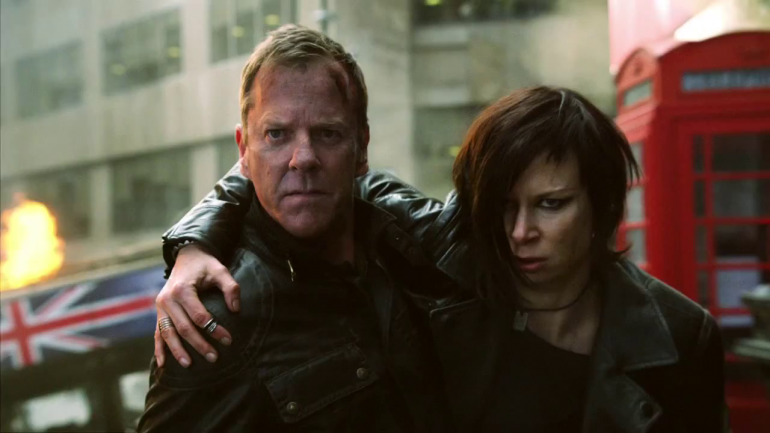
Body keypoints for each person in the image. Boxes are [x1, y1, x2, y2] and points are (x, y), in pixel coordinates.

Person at [155, 87, 728, 431]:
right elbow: (305, 173)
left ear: (600, 205)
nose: (520, 232)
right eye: (503, 207)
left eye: (551, 205)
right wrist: (193, 242)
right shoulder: (442, 253)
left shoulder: (679, 337)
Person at [138, 25, 455, 433]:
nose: (303, 158)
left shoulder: (404, 250)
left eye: (327, 133)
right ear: (243, 152)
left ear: (361, 147)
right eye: (277, 134)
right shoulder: (214, 322)